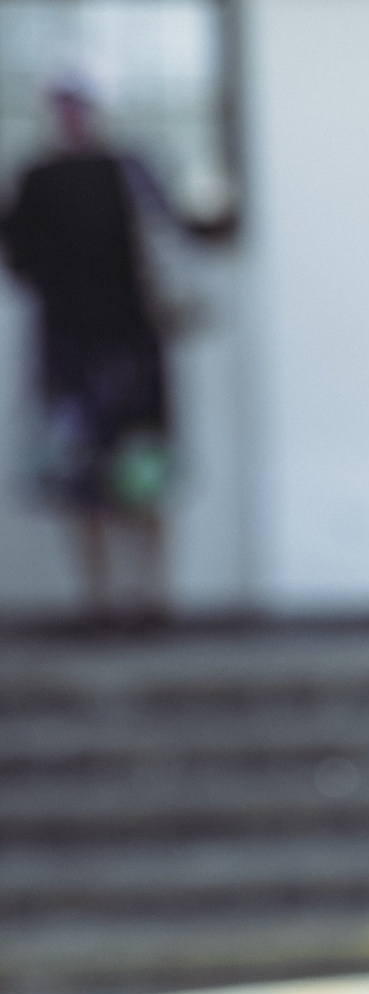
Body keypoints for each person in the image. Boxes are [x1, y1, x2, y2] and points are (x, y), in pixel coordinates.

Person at [1, 72, 182, 620]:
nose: (73, 118)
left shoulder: (129, 171)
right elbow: (18, 259)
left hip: (133, 347)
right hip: (69, 346)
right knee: (80, 476)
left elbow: (173, 233)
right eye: (64, 108)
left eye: (81, 107)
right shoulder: (35, 178)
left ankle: (149, 595)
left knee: (141, 470)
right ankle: (99, 600)